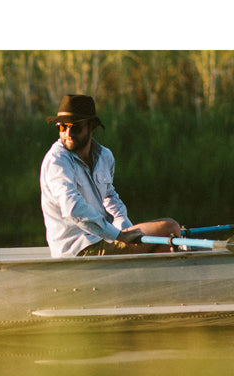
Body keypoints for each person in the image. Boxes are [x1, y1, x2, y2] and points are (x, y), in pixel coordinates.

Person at [39, 94, 181, 258]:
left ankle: (151, 280)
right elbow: (72, 207)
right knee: (169, 229)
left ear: (92, 126)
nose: (68, 133)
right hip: (78, 250)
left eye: (75, 127)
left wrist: (127, 230)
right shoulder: (57, 161)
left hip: (102, 240)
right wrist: (118, 235)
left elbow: (110, 198)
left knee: (166, 233)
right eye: (62, 127)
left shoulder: (104, 156)